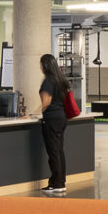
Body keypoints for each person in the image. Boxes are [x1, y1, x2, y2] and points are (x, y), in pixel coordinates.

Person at [38, 53, 71, 197]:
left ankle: (56, 183)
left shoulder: (48, 81)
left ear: (44, 65)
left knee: (53, 152)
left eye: (40, 64)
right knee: (59, 151)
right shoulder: (61, 79)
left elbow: (46, 102)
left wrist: (34, 113)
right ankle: (60, 182)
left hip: (51, 119)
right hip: (61, 117)